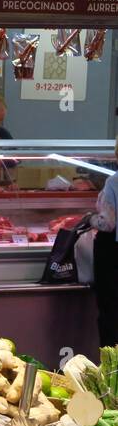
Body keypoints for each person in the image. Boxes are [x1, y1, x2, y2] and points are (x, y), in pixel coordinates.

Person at [92, 140, 118, 346]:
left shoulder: (114, 182)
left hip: (113, 256)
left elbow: (108, 223)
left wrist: (88, 219)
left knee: (111, 315)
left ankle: (111, 372)